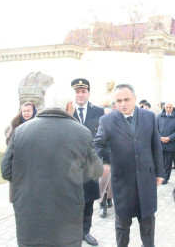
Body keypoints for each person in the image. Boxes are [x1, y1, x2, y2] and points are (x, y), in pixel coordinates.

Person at [1, 85, 104, 247]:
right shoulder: (82, 133)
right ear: (70, 105)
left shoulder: (20, 131)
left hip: (29, 213)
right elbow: (96, 170)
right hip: (66, 216)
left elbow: (6, 171)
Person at [93, 83, 164, 247]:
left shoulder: (149, 116)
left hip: (146, 179)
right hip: (123, 181)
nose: (122, 104)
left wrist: (159, 172)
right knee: (122, 224)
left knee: (147, 222)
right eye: (118, 101)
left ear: (135, 99)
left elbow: (156, 146)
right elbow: (98, 145)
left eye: (126, 99)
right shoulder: (107, 120)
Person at [71, 78, 105, 246]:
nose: (80, 94)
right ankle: (72, 232)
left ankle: (85, 232)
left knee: (88, 202)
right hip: (70, 167)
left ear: (88, 93)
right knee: (71, 201)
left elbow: (103, 138)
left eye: (83, 91)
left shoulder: (99, 111)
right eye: (77, 91)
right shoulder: (67, 112)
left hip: (90, 166)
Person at [5, 102, 37, 203]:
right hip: (19, 162)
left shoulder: (38, 124)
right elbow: (9, 142)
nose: (26, 113)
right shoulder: (15, 124)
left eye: (29, 111)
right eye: (24, 111)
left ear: (34, 111)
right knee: (19, 197)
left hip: (33, 163)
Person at [157, 102, 175, 184]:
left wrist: (169, 138)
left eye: (170, 107)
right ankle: (159, 176)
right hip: (160, 143)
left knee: (168, 162)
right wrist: (160, 137)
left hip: (170, 143)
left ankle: (165, 177)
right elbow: (155, 128)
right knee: (160, 161)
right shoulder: (159, 116)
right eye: (166, 107)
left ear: (173, 108)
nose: (168, 109)